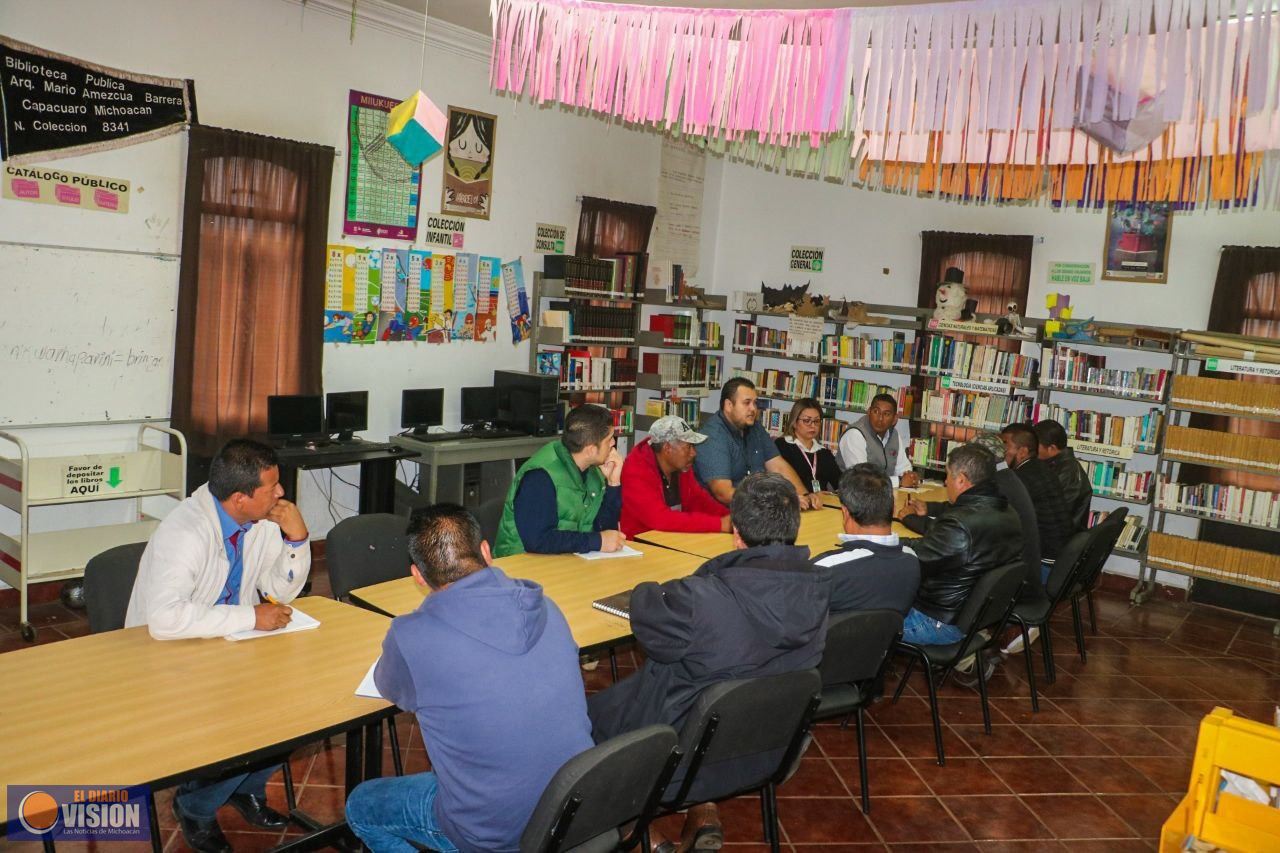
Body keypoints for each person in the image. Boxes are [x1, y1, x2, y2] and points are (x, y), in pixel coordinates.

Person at [588, 473, 831, 850]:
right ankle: (703, 811)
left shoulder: (703, 598)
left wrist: (679, 582)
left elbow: (647, 612)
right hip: (763, 749)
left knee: (582, 723)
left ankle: (632, 830)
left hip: (681, 758)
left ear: (736, 533)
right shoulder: (818, 590)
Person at [345, 504, 594, 853]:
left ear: (418, 576)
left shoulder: (412, 636)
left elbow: (389, 687)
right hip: (575, 805)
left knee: (362, 805)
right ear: (486, 551)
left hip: (491, 832)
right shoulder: (548, 607)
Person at [125, 438, 310, 853]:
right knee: (245, 724)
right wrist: (251, 617)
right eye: (272, 487)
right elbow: (165, 620)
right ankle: (196, 806)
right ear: (240, 498)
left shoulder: (259, 522)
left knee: (303, 710)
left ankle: (243, 788)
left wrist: (297, 539)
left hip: (225, 646)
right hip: (165, 656)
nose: (281, 493)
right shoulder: (185, 532)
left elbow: (280, 591)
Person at [897, 444, 1023, 651]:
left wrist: (884, 541)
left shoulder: (960, 524)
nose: (946, 481)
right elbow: (940, 544)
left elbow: (912, 563)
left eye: (948, 475)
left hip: (934, 621)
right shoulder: (1007, 512)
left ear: (962, 480)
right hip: (972, 616)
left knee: (856, 612)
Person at [494, 403, 625, 557]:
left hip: (565, 561)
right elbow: (538, 541)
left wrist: (613, 484)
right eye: (609, 439)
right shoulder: (540, 477)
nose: (613, 443)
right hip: (520, 563)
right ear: (590, 449)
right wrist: (597, 541)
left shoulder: (593, 471)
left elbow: (605, 533)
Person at [694, 377, 823, 509]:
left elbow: (778, 466)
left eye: (755, 403)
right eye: (747, 403)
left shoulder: (754, 428)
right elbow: (723, 493)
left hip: (757, 509)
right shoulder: (713, 436)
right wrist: (774, 502)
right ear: (729, 405)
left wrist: (804, 495)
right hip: (724, 513)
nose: (753, 408)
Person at [812, 464, 920, 616]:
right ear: (893, 509)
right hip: (887, 631)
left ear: (845, 513)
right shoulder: (911, 558)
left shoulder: (824, 570)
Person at [619, 415, 730, 537]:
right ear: (667, 448)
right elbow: (660, 519)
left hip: (673, 538)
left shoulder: (681, 467)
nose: (693, 453)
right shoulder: (636, 471)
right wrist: (719, 524)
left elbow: (699, 501)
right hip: (641, 542)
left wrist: (731, 518)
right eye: (688, 447)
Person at [1000, 422, 1072, 579]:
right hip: (1059, 558)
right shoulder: (1042, 469)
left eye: (1005, 445)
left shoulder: (1021, 479)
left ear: (1023, 452)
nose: (1001, 452)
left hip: (1043, 564)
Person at [837, 393, 920, 487]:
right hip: (853, 493)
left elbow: (903, 468)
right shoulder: (855, 435)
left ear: (894, 419)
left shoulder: (894, 435)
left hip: (882, 492)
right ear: (869, 412)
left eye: (886, 414)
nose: (880, 418)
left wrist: (911, 477)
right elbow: (861, 479)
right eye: (876, 412)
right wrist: (899, 481)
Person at [774, 397, 843, 493]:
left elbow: (841, 485)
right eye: (807, 420)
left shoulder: (824, 453)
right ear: (794, 423)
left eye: (816, 421)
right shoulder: (782, 446)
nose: (813, 426)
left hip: (821, 501)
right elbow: (778, 483)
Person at [1034, 418, 1092, 532]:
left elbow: (1053, 514)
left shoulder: (1068, 472)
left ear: (1051, 448)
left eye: (1036, 446)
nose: (1032, 450)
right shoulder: (1060, 465)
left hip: (1061, 535)